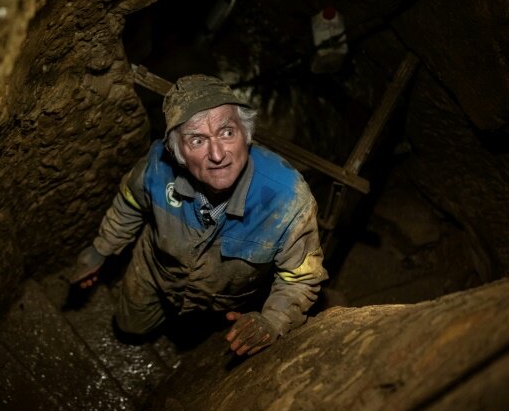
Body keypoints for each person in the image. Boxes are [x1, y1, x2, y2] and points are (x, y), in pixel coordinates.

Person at [70, 74, 328, 357]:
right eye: (197, 140)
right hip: (155, 272)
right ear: (177, 152)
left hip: (219, 302)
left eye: (227, 132)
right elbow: (129, 204)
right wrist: (102, 249)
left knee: (195, 336)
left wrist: (273, 320)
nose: (217, 154)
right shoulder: (157, 167)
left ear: (246, 134)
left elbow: (300, 278)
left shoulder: (288, 199)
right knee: (130, 326)